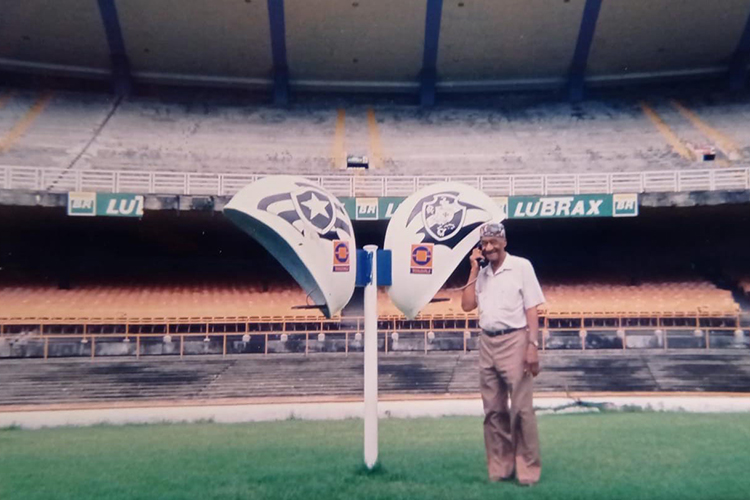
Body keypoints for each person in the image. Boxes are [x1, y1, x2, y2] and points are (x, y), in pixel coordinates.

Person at [461, 222, 545, 486]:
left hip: (516, 340)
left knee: (521, 410)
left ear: (504, 242)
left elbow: (532, 308)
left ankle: (528, 470)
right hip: (487, 341)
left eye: (493, 242)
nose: (488, 247)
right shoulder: (482, 274)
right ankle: (500, 468)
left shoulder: (522, 266)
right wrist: (474, 268)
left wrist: (533, 345)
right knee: (494, 411)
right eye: (484, 243)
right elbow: (466, 305)